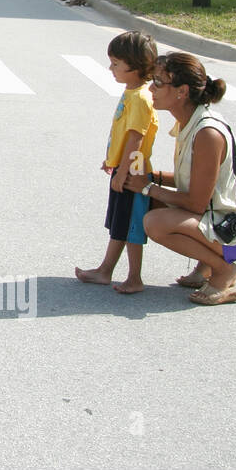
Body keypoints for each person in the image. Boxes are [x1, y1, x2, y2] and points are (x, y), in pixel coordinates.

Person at [124, 53, 236, 305]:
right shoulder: (189, 121)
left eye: (158, 82)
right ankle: (206, 268)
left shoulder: (207, 133)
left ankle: (224, 270)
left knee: (155, 221)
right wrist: (152, 177)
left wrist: (147, 187)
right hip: (219, 225)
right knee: (152, 203)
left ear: (182, 91)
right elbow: (193, 183)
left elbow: (196, 203)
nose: (151, 88)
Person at [75, 31, 158, 293]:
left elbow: (135, 138)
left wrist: (123, 171)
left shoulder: (142, 98)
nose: (111, 68)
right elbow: (123, 135)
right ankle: (105, 270)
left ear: (135, 66)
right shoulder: (131, 92)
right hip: (124, 168)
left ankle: (135, 277)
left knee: (132, 226)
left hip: (134, 172)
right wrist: (112, 161)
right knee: (119, 222)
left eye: (115, 64)